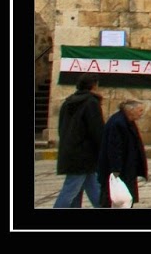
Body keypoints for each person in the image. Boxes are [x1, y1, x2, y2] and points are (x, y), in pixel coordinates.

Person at [54, 73, 105, 208]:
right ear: (94, 86)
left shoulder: (68, 102)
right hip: (83, 155)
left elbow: (61, 128)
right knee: (70, 190)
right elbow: (97, 130)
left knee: (94, 189)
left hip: (71, 151)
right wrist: (104, 149)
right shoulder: (91, 103)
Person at [96, 99, 149, 207]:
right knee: (115, 199)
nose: (141, 114)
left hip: (127, 168)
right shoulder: (118, 123)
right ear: (130, 110)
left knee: (126, 199)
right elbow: (114, 149)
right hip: (119, 171)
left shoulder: (127, 122)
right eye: (139, 111)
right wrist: (116, 171)